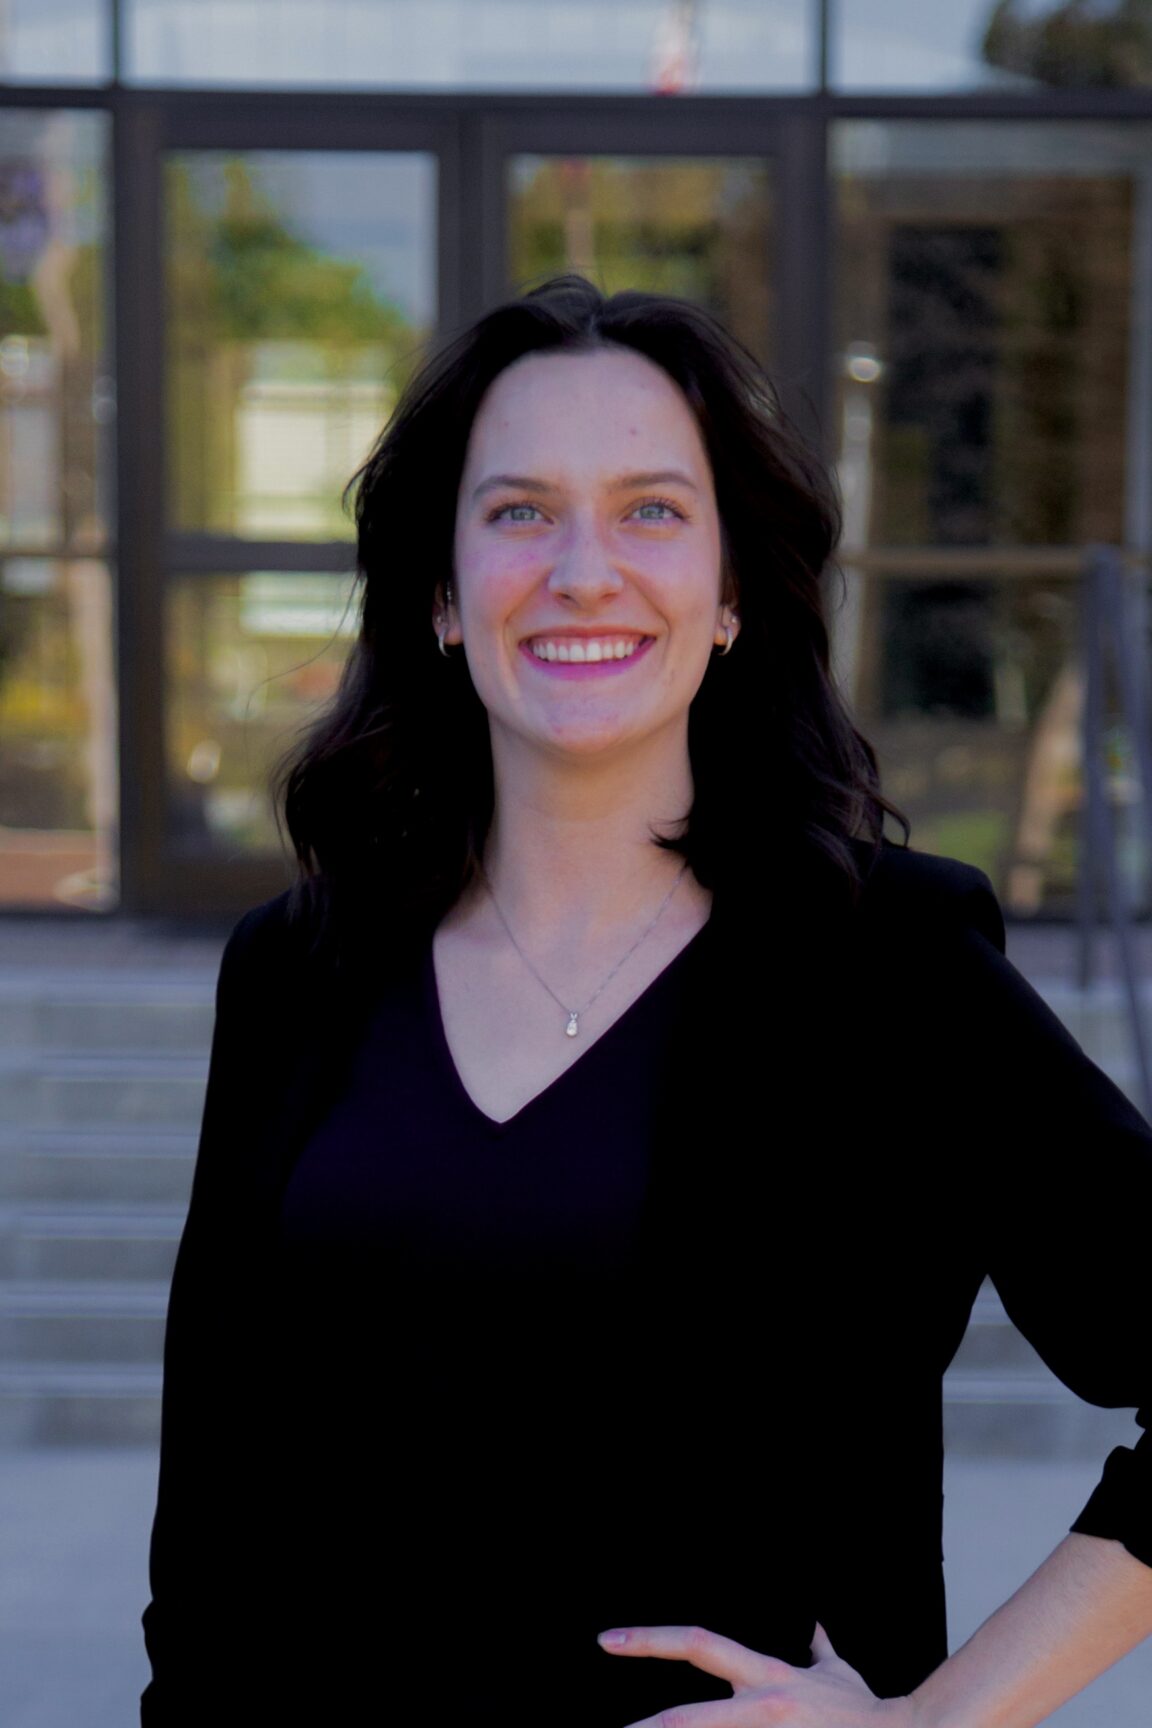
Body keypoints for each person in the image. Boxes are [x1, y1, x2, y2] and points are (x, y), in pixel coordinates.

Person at [140, 273, 1152, 1727]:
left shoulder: (891, 969)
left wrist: (937, 1720)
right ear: (439, 591)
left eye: (653, 510)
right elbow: (213, 1531)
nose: (583, 569)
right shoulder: (302, 971)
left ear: (733, 593)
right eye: (518, 512)